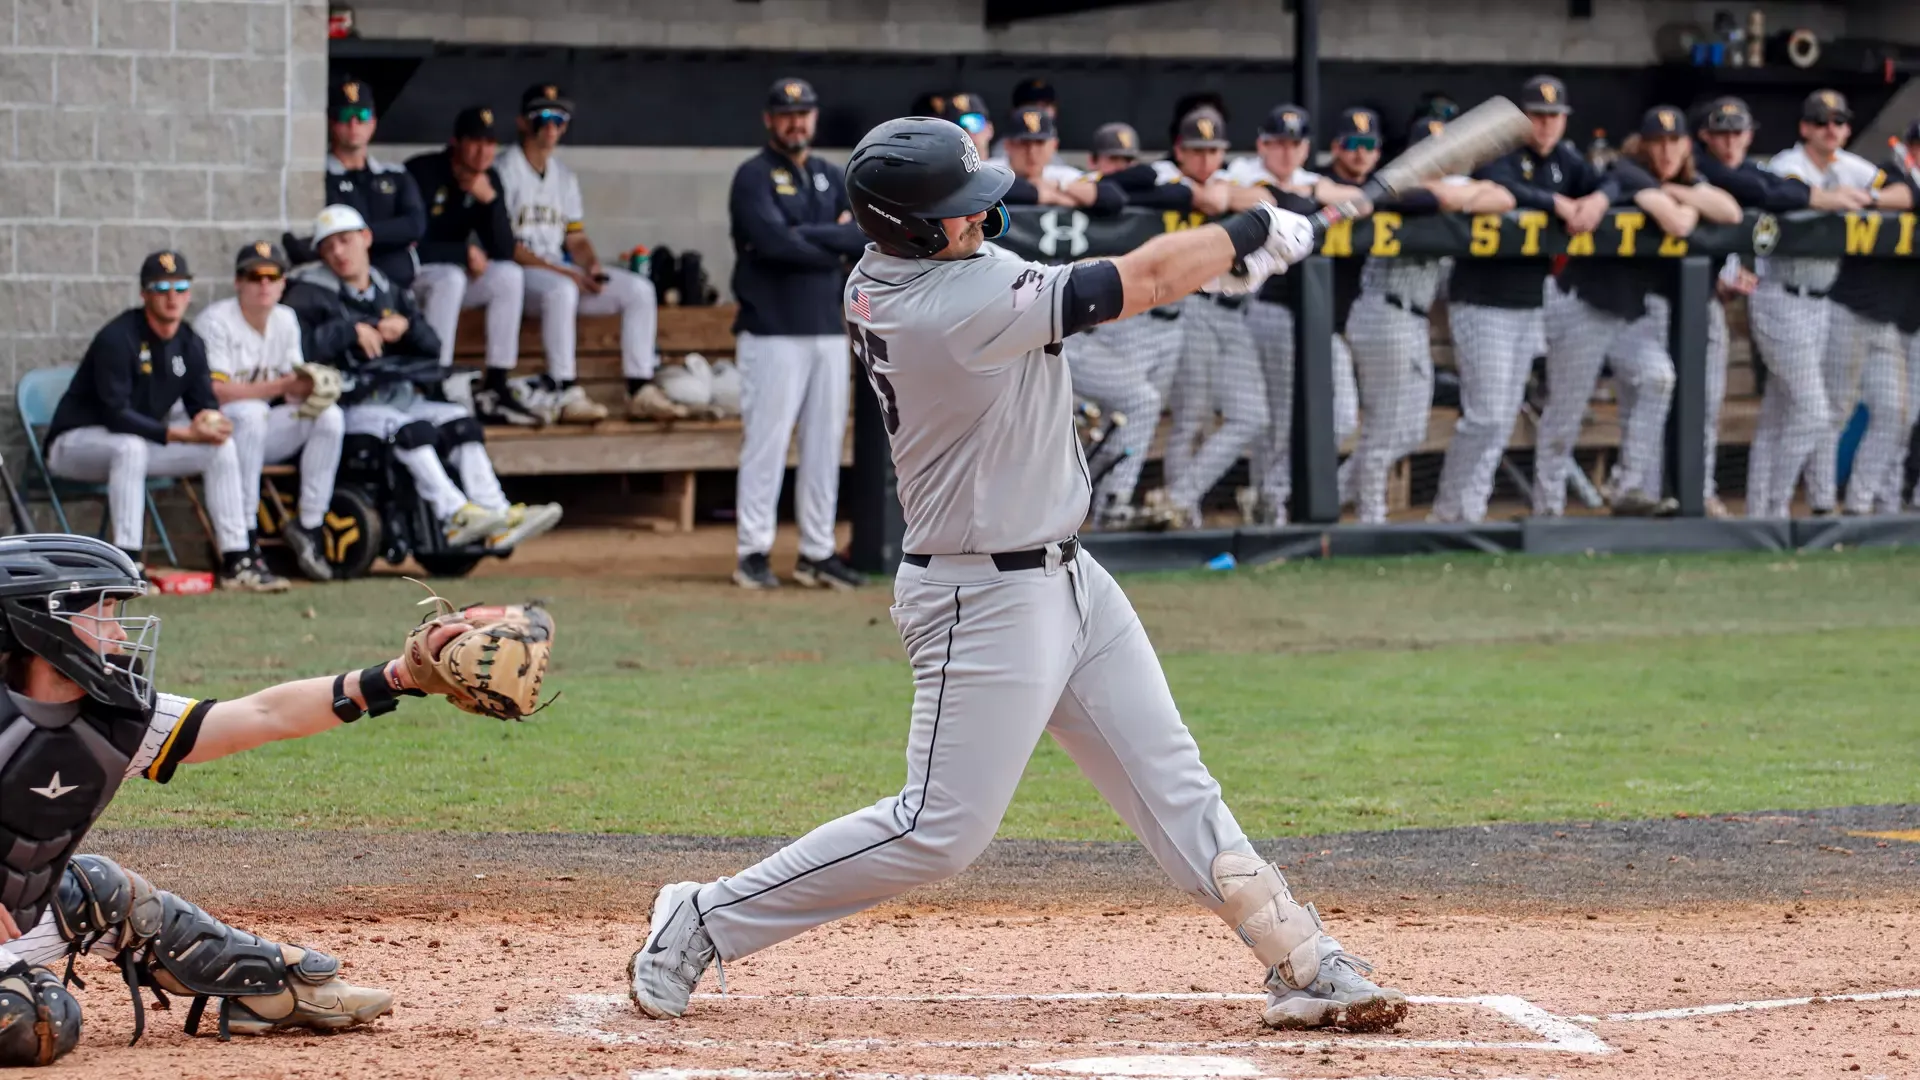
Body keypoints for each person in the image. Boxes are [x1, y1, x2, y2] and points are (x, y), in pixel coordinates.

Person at [628, 115, 1409, 1035]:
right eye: (962, 209)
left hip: (1069, 577)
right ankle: (702, 916)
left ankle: (1302, 959)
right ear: (912, 229)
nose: (983, 214)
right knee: (937, 832)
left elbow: (1128, 270)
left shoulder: (909, 273)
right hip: (981, 596)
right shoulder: (947, 308)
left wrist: (1235, 241)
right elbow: (1145, 277)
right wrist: (1249, 233)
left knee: (1173, 782)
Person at [0, 533, 510, 1066]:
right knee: (32, 1022)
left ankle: (268, 988)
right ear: (40, 625)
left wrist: (396, 677)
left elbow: (263, 715)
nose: (120, 634)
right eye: (101, 615)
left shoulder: (115, 720)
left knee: (98, 889)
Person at [285, 205, 563, 552]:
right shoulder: (306, 291)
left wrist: (407, 327)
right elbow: (296, 349)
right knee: (410, 431)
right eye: (328, 247)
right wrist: (349, 331)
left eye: (345, 241)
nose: (338, 253)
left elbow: (431, 347)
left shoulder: (389, 289)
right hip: (348, 403)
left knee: (461, 423)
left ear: (366, 238)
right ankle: (455, 514)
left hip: (399, 394)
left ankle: (497, 515)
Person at [1534, 106, 1742, 517]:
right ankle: (1547, 508)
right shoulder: (1625, 172)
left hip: (1628, 313)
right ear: (1643, 145)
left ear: (1686, 145)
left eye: (1674, 142)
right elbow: (1678, 224)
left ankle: (1626, 487)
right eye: (1658, 142)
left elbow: (1731, 212)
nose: (1666, 151)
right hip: (1582, 303)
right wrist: (1685, 202)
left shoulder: (1681, 179)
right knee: (1566, 411)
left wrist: (1683, 194)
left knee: (1658, 377)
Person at [1431, 74, 1617, 524]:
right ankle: (1446, 512)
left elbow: (1615, 180)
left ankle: (1468, 512)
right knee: (1488, 416)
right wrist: (1556, 203)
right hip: (1481, 300)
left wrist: (1599, 200)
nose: (1547, 124)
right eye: (1538, 115)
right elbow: (1504, 188)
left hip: (1529, 303)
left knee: (1499, 422)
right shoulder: (1500, 153)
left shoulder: (1568, 161)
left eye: (1554, 116)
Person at [44, 251, 288, 592]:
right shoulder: (118, 337)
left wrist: (211, 423)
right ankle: (128, 563)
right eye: (161, 287)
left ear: (189, 292)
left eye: (180, 286)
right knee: (129, 447)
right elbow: (115, 414)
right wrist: (181, 434)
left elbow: (202, 403)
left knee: (220, 448)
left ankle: (237, 559)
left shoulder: (189, 342)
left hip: (140, 445)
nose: (171, 296)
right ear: (144, 293)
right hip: (75, 445)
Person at [726, 78, 867, 591]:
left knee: (825, 444)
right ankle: (752, 551)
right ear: (769, 119)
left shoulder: (830, 174)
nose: (796, 121)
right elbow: (769, 242)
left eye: (804, 112)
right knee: (766, 443)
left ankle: (816, 550)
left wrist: (808, 236)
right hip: (771, 329)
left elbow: (861, 236)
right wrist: (828, 242)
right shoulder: (753, 174)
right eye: (786, 113)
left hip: (827, 328)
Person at [1341, 118, 1513, 525]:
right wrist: (1451, 193)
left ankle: (1333, 493)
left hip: (1412, 319)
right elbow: (1408, 195)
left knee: (1410, 432)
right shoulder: (1390, 184)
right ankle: (1372, 517)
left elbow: (1502, 198)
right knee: (1385, 427)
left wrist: (1454, 192)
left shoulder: (1451, 186)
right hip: (1383, 310)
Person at [1108, 108, 1268, 527]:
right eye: (1196, 151)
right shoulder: (1158, 174)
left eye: (1213, 150)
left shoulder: (1231, 180)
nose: (1204, 160)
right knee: (1185, 417)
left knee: (1250, 415)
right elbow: (1115, 190)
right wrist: (1187, 194)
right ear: (1180, 150)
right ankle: (1174, 512)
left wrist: (1228, 198)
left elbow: (1280, 201)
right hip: (1184, 307)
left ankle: (1177, 500)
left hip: (1229, 312)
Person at [1751, 90, 1891, 517]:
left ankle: (1772, 507)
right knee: (1812, 412)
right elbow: (1791, 194)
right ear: (1805, 128)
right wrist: (1843, 199)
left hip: (1823, 302)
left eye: (1839, 122)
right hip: (1780, 295)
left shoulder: (1851, 167)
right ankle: (1776, 508)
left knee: (1779, 414)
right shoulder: (1787, 164)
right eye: (1822, 122)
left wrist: (1875, 198)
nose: (1832, 130)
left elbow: (1897, 186)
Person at [498, 83, 667, 422]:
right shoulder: (504, 169)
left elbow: (575, 238)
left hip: (560, 273)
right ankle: (564, 387)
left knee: (639, 290)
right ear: (522, 122)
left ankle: (639, 386)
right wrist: (567, 273)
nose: (551, 127)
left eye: (559, 120)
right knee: (561, 291)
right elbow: (506, 246)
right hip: (522, 276)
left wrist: (590, 266)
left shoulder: (564, 176)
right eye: (542, 118)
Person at [192, 242, 342, 583]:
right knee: (249, 411)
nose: (263, 284)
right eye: (254, 276)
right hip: (216, 432)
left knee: (329, 416)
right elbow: (217, 392)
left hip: (258, 435)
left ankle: (310, 524)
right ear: (238, 282)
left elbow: (290, 391)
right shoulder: (216, 322)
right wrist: (281, 387)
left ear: (282, 282)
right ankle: (245, 536)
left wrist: (310, 388)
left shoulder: (286, 319)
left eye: (271, 276)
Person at [1225, 103, 1335, 524]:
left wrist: (1315, 197)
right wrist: (1296, 201)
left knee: (1337, 416)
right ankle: (1269, 502)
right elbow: (1227, 195)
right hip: (1262, 307)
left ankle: (1274, 490)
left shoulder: (1317, 182)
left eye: (1294, 144)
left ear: (1305, 148)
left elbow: (1348, 196)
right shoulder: (1243, 171)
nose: (1286, 153)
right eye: (1277, 143)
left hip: (1318, 316)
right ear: (1261, 144)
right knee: (1272, 414)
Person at [407, 106, 548, 427]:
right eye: (475, 142)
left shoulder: (489, 179)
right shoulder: (423, 171)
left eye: (490, 143)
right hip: (415, 276)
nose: (484, 151)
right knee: (452, 278)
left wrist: (491, 201)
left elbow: (503, 250)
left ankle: (496, 382)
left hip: (451, 276)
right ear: (456, 142)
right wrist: (461, 251)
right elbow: (410, 241)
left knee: (509, 276)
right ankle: (434, 378)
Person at [1818, 120, 1918, 514]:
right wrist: (1875, 200)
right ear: (1911, 147)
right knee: (1835, 409)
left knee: (1897, 414)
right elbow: (1900, 195)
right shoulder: (1891, 174)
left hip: (1888, 322)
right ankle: (1822, 502)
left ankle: (1862, 503)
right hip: (1848, 310)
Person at [306, 76, 426, 289]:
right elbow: (333, 234)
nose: (354, 124)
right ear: (332, 123)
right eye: (345, 116)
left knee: (450, 279)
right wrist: (390, 233)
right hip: (344, 284)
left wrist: (361, 233)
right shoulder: (320, 176)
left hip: (401, 280)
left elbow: (415, 225)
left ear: (373, 123)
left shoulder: (394, 173)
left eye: (361, 116)